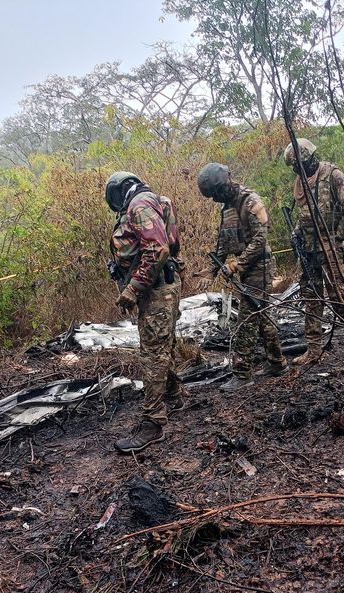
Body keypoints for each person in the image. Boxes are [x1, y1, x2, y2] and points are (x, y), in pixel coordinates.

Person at [106, 171, 184, 454]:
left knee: (152, 354)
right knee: (161, 347)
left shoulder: (139, 206)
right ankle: (173, 394)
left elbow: (157, 250)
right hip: (162, 286)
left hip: (156, 289)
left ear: (119, 191)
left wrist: (132, 289)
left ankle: (153, 423)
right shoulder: (153, 201)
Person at [196, 163, 288, 391]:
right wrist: (212, 270)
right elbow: (222, 241)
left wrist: (238, 264)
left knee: (246, 320)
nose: (215, 199)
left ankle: (242, 373)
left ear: (225, 184)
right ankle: (277, 363)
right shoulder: (227, 207)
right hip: (247, 268)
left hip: (260, 266)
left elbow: (260, 240)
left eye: (216, 193)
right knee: (262, 315)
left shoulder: (250, 201)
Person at [283, 138, 344, 366]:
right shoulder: (300, 183)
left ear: (310, 159)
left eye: (299, 165)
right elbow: (304, 215)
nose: (297, 170)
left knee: (339, 299)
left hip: (332, 247)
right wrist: (296, 233)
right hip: (309, 250)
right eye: (294, 168)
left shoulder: (332, 175)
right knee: (312, 300)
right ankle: (314, 350)